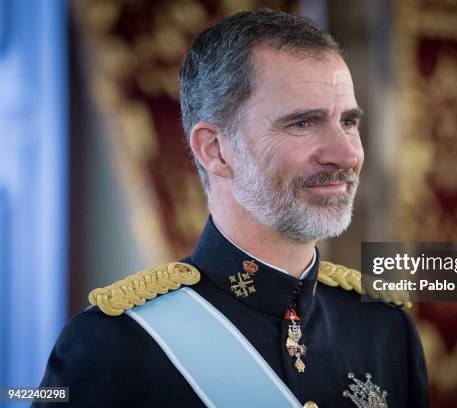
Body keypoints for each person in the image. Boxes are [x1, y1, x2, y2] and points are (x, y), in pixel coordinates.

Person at [36, 9, 428, 407]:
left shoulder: (385, 331)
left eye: (348, 122)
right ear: (216, 150)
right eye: (302, 124)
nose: (345, 154)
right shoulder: (113, 345)